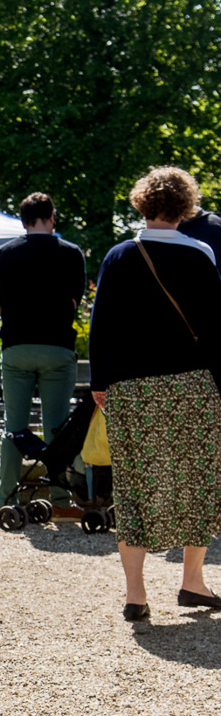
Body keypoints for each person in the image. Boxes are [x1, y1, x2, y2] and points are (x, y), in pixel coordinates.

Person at [87, 166, 221, 619]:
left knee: (134, 486)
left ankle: (135, 595)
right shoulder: (201, 253)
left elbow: (101, 324)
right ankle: (192, 582)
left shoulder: (119, 256)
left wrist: (99, 382)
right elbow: (215, 330)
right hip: (191, 385)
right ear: (186, 206)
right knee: (200, 481)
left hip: (130, 388)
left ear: (142, 203)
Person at [0, 192, 87, 516]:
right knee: (58, 429)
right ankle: (61, 500)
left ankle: (5, 500)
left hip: (17, 345)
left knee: (13, 427)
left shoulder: (4, 254)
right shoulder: (72, 253)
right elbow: (76, 298)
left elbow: (1, 298)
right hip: (57, 345)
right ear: (51, 216)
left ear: (23, 219)